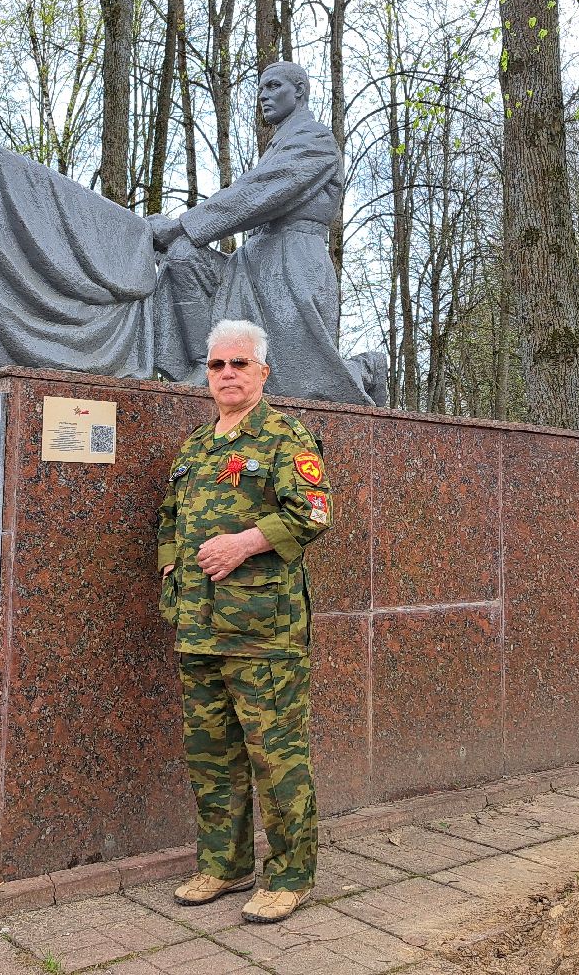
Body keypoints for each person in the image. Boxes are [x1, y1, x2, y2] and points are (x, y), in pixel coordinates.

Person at [156, 318, 332, 924]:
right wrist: (169, 581)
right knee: (212, 754)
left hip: (264, 632)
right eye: (216, 366)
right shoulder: (195, 448)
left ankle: (290, 875)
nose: (227, 375)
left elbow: (312, 513)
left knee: (275, 753)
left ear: (263, 371)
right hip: (198, 626)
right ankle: (224, 866)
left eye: (239, 364)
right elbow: (169, 524)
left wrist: (245, 543)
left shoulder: (286, 437)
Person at [149, 62, 385, 406]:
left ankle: (365, 369)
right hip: (252, 264)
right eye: (260, 89)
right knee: (183, 256)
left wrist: (183, 224)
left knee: (301, 381)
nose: (263, 96)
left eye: (273, 86)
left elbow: (260, 193)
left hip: (293, 264)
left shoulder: (316, 139)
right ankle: (208, 366)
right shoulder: (280, 143)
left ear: (299, 91)